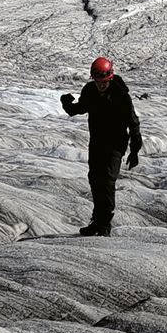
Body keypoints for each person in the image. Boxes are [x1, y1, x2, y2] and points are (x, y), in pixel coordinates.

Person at [60, 56, 142, 236]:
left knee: (107, 180)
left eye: (104, 82)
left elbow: (133, 122)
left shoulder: (120, 95)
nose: (101, 85)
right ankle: (97, 221)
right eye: (98, 81)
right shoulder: (90, 91)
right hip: (97, 142)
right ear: (93, 78)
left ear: (110, 78)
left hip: (116, 143)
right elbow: (78, 109)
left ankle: (105, 224)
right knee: (95, 180)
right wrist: (66, 103)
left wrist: (135, 150)